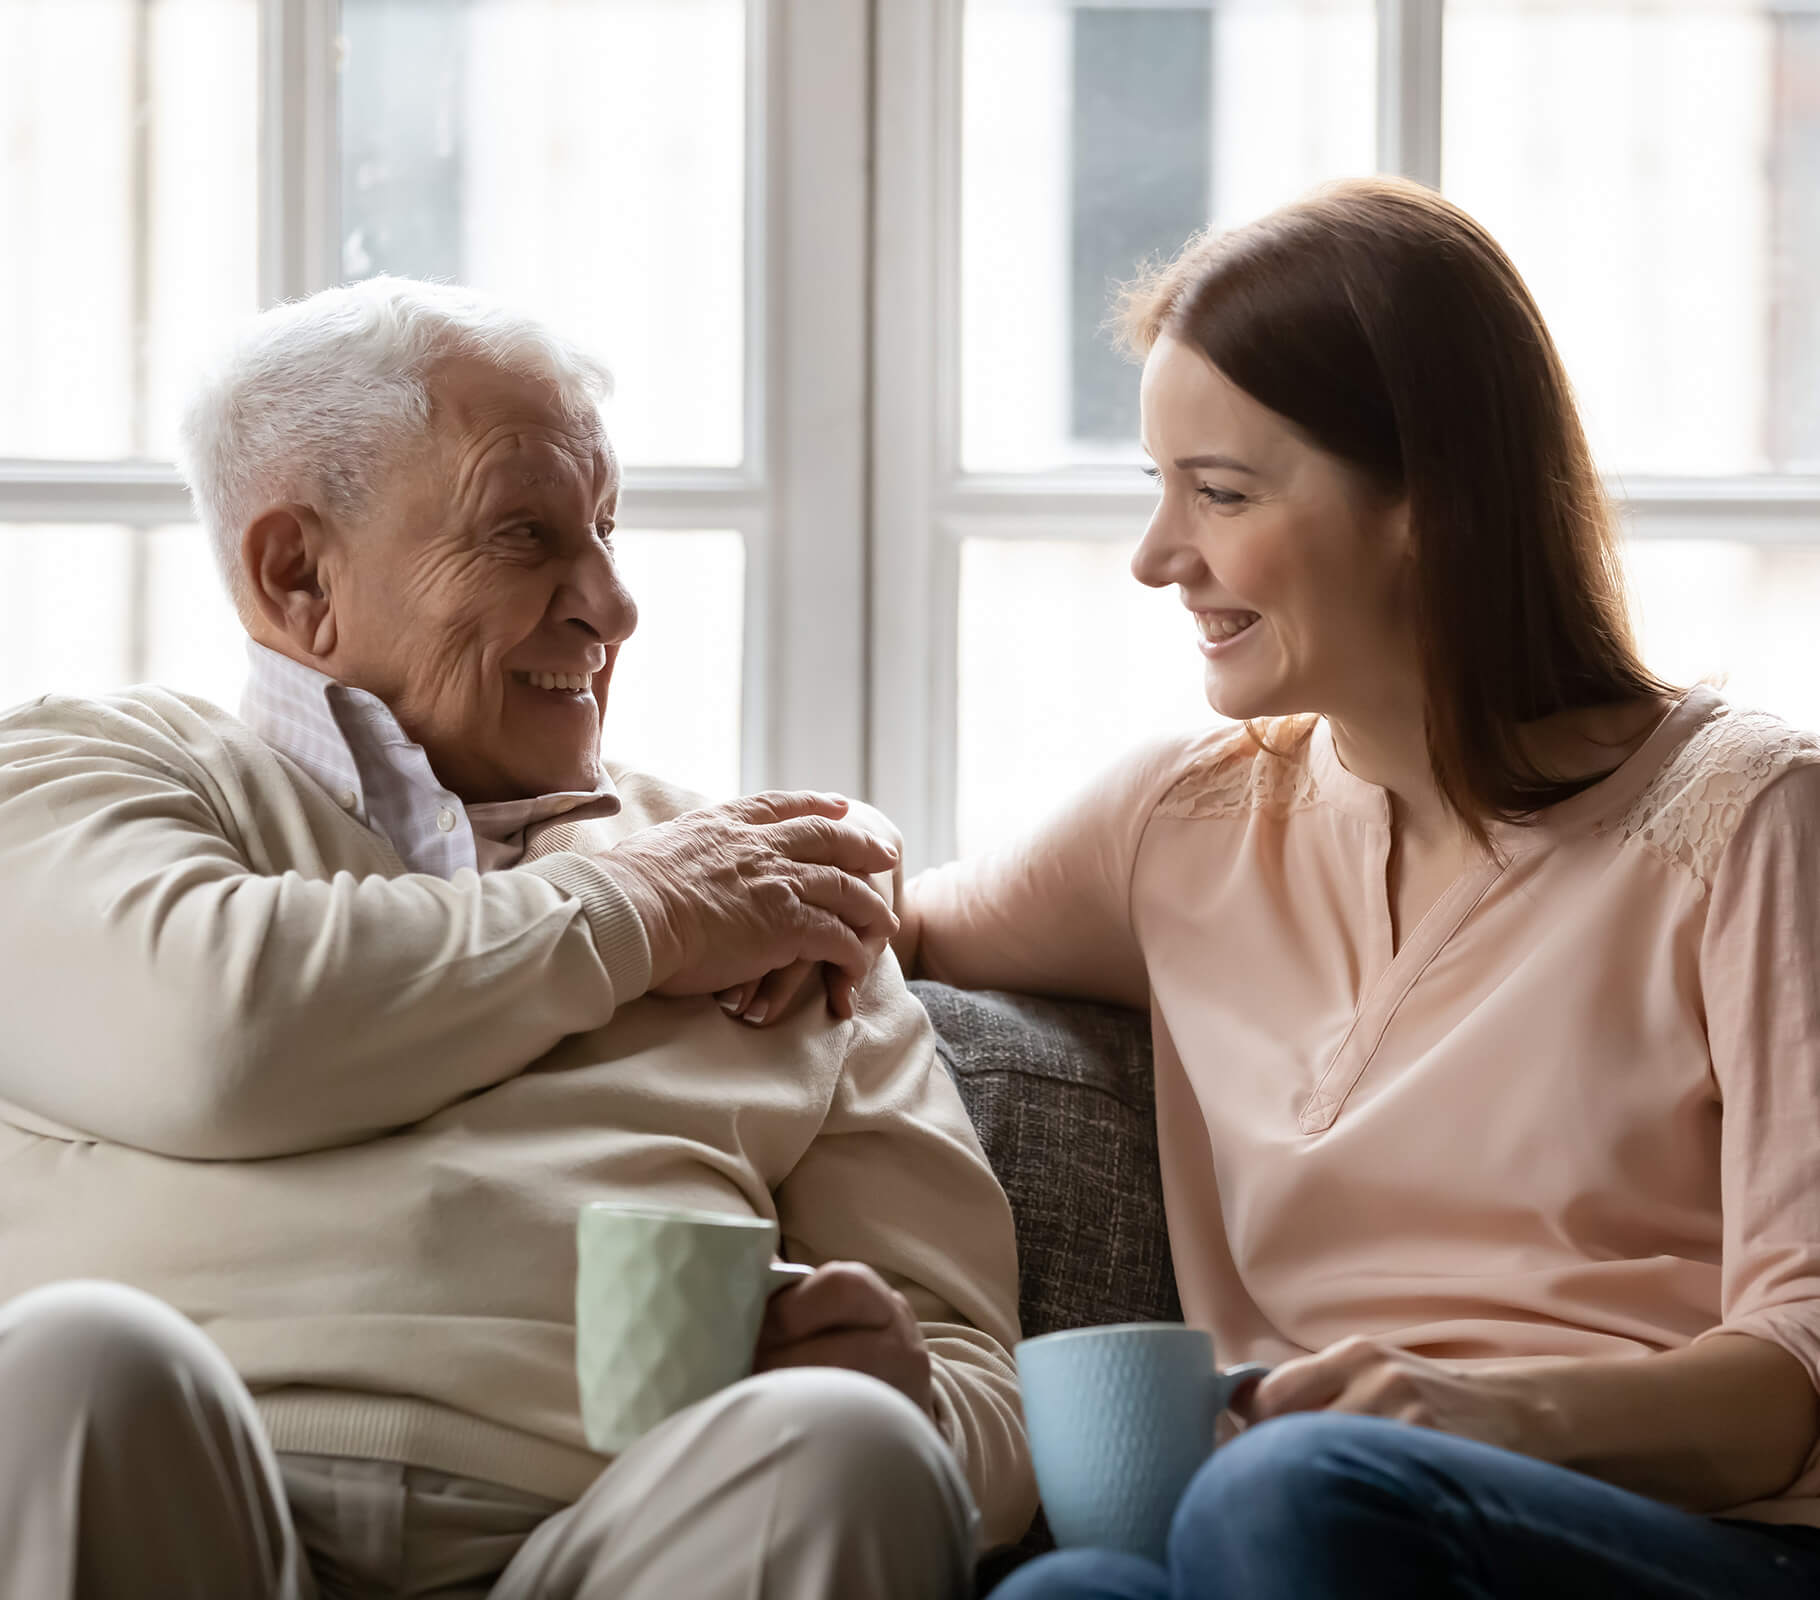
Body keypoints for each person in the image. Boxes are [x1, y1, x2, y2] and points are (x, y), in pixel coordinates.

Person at [0, 277, 1034, 1600]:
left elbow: (981, 1388)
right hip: (187, 1503)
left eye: (606, 530)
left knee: (847, 1446)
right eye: (526, 536)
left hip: (634, 1538)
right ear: (297, 573)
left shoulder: (770, 890)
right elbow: (221, 1035)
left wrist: (913, 1400)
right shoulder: (84, 774)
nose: (611, 602)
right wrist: (647, 913)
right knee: (77, 1364)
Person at [891, 179, 1820, 1598]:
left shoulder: (1751, 823)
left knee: (1285, 1496)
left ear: (1428, 505)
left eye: (1220, 493)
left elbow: (1801, 1369)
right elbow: (873, 903)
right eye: (1159, 488)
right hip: (1289, 1526)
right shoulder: (1183, 825)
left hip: (1688, 1540)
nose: (1157, 558)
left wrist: (1470, 1413)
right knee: (1068, 1591)